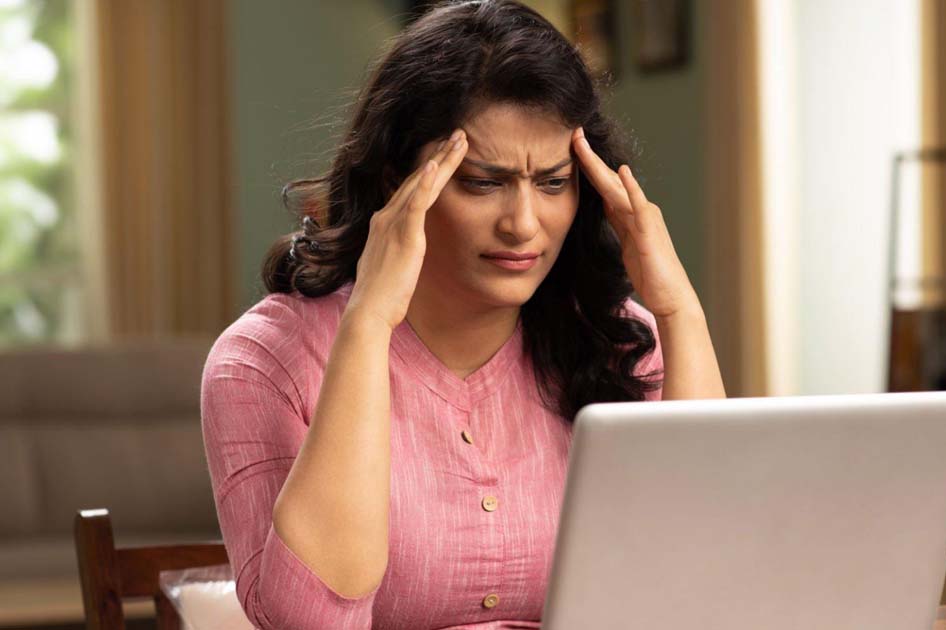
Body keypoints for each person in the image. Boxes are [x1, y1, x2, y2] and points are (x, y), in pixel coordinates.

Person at [199, 1, 724, 628]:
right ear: (399, 183)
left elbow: (708, 578)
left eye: (554, 182)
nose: (524, 225)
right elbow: (310, 619)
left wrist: (677, 309)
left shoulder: (617, 337)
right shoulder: (262, 362)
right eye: (483, 182)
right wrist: (367, 325)